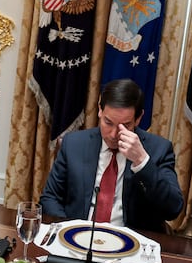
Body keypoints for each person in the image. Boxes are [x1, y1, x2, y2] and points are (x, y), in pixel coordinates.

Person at [40, 79, 184, 232]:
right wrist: (69, 231)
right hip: (77, 238)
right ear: (100, 110)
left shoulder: (158, 150)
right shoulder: (73, 144)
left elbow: (173, 209)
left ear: (139, 118)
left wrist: (142, 162)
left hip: (130, 244)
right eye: (108, 122)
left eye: (125, 125)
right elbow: (50, 198)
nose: (114, 134)